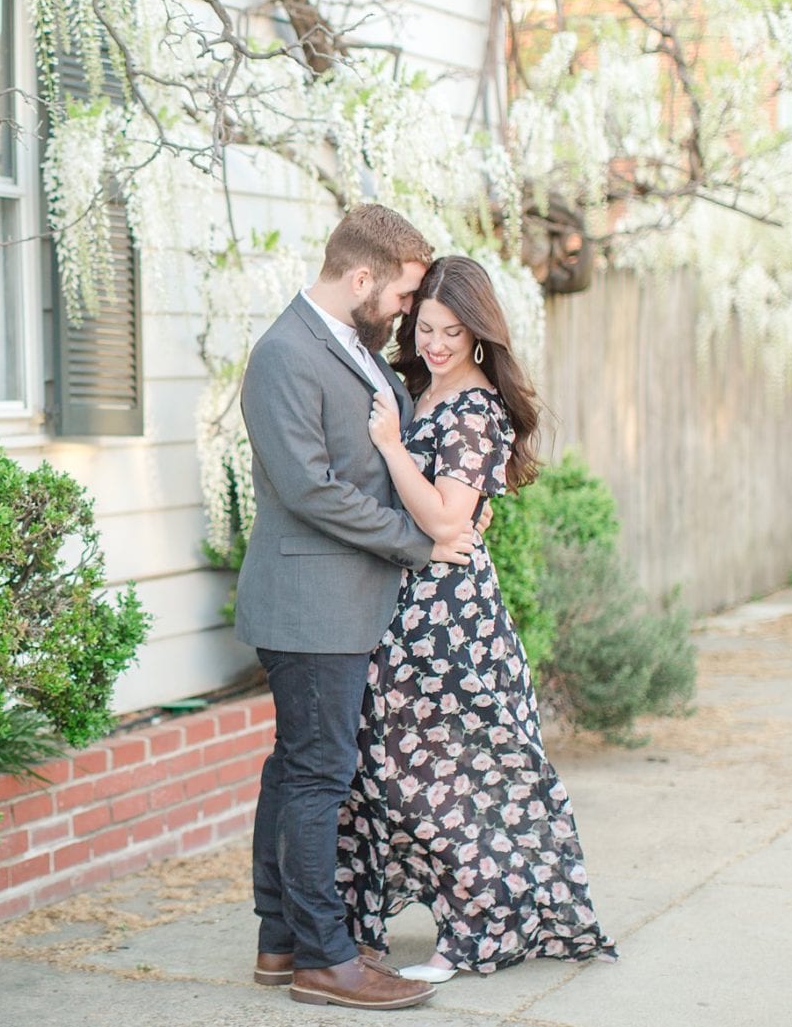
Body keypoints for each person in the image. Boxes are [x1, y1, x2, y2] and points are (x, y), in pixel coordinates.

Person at [339, 255, 618, 982]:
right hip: (401, 612)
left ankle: (473, 934)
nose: (434, 343)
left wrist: (395, 452)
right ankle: (363, 923)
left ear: (480, 334)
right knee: (386, 768)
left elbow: (442, 517)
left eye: (452, 332)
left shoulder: (476, 408)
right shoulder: (417, 391)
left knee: (458, 771)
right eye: (424, 326)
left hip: (453, 623)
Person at [235, 205, 482, 1012]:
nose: (409, 314)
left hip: (341, 602)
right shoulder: (283, 354)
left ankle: (281, 941)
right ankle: (325, 959)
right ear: (362, 277)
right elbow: (310, 487)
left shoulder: (351, 346)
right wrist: (418, 541)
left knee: (294, 766)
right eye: (406, 296)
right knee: (317, 776)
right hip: (310, 603)